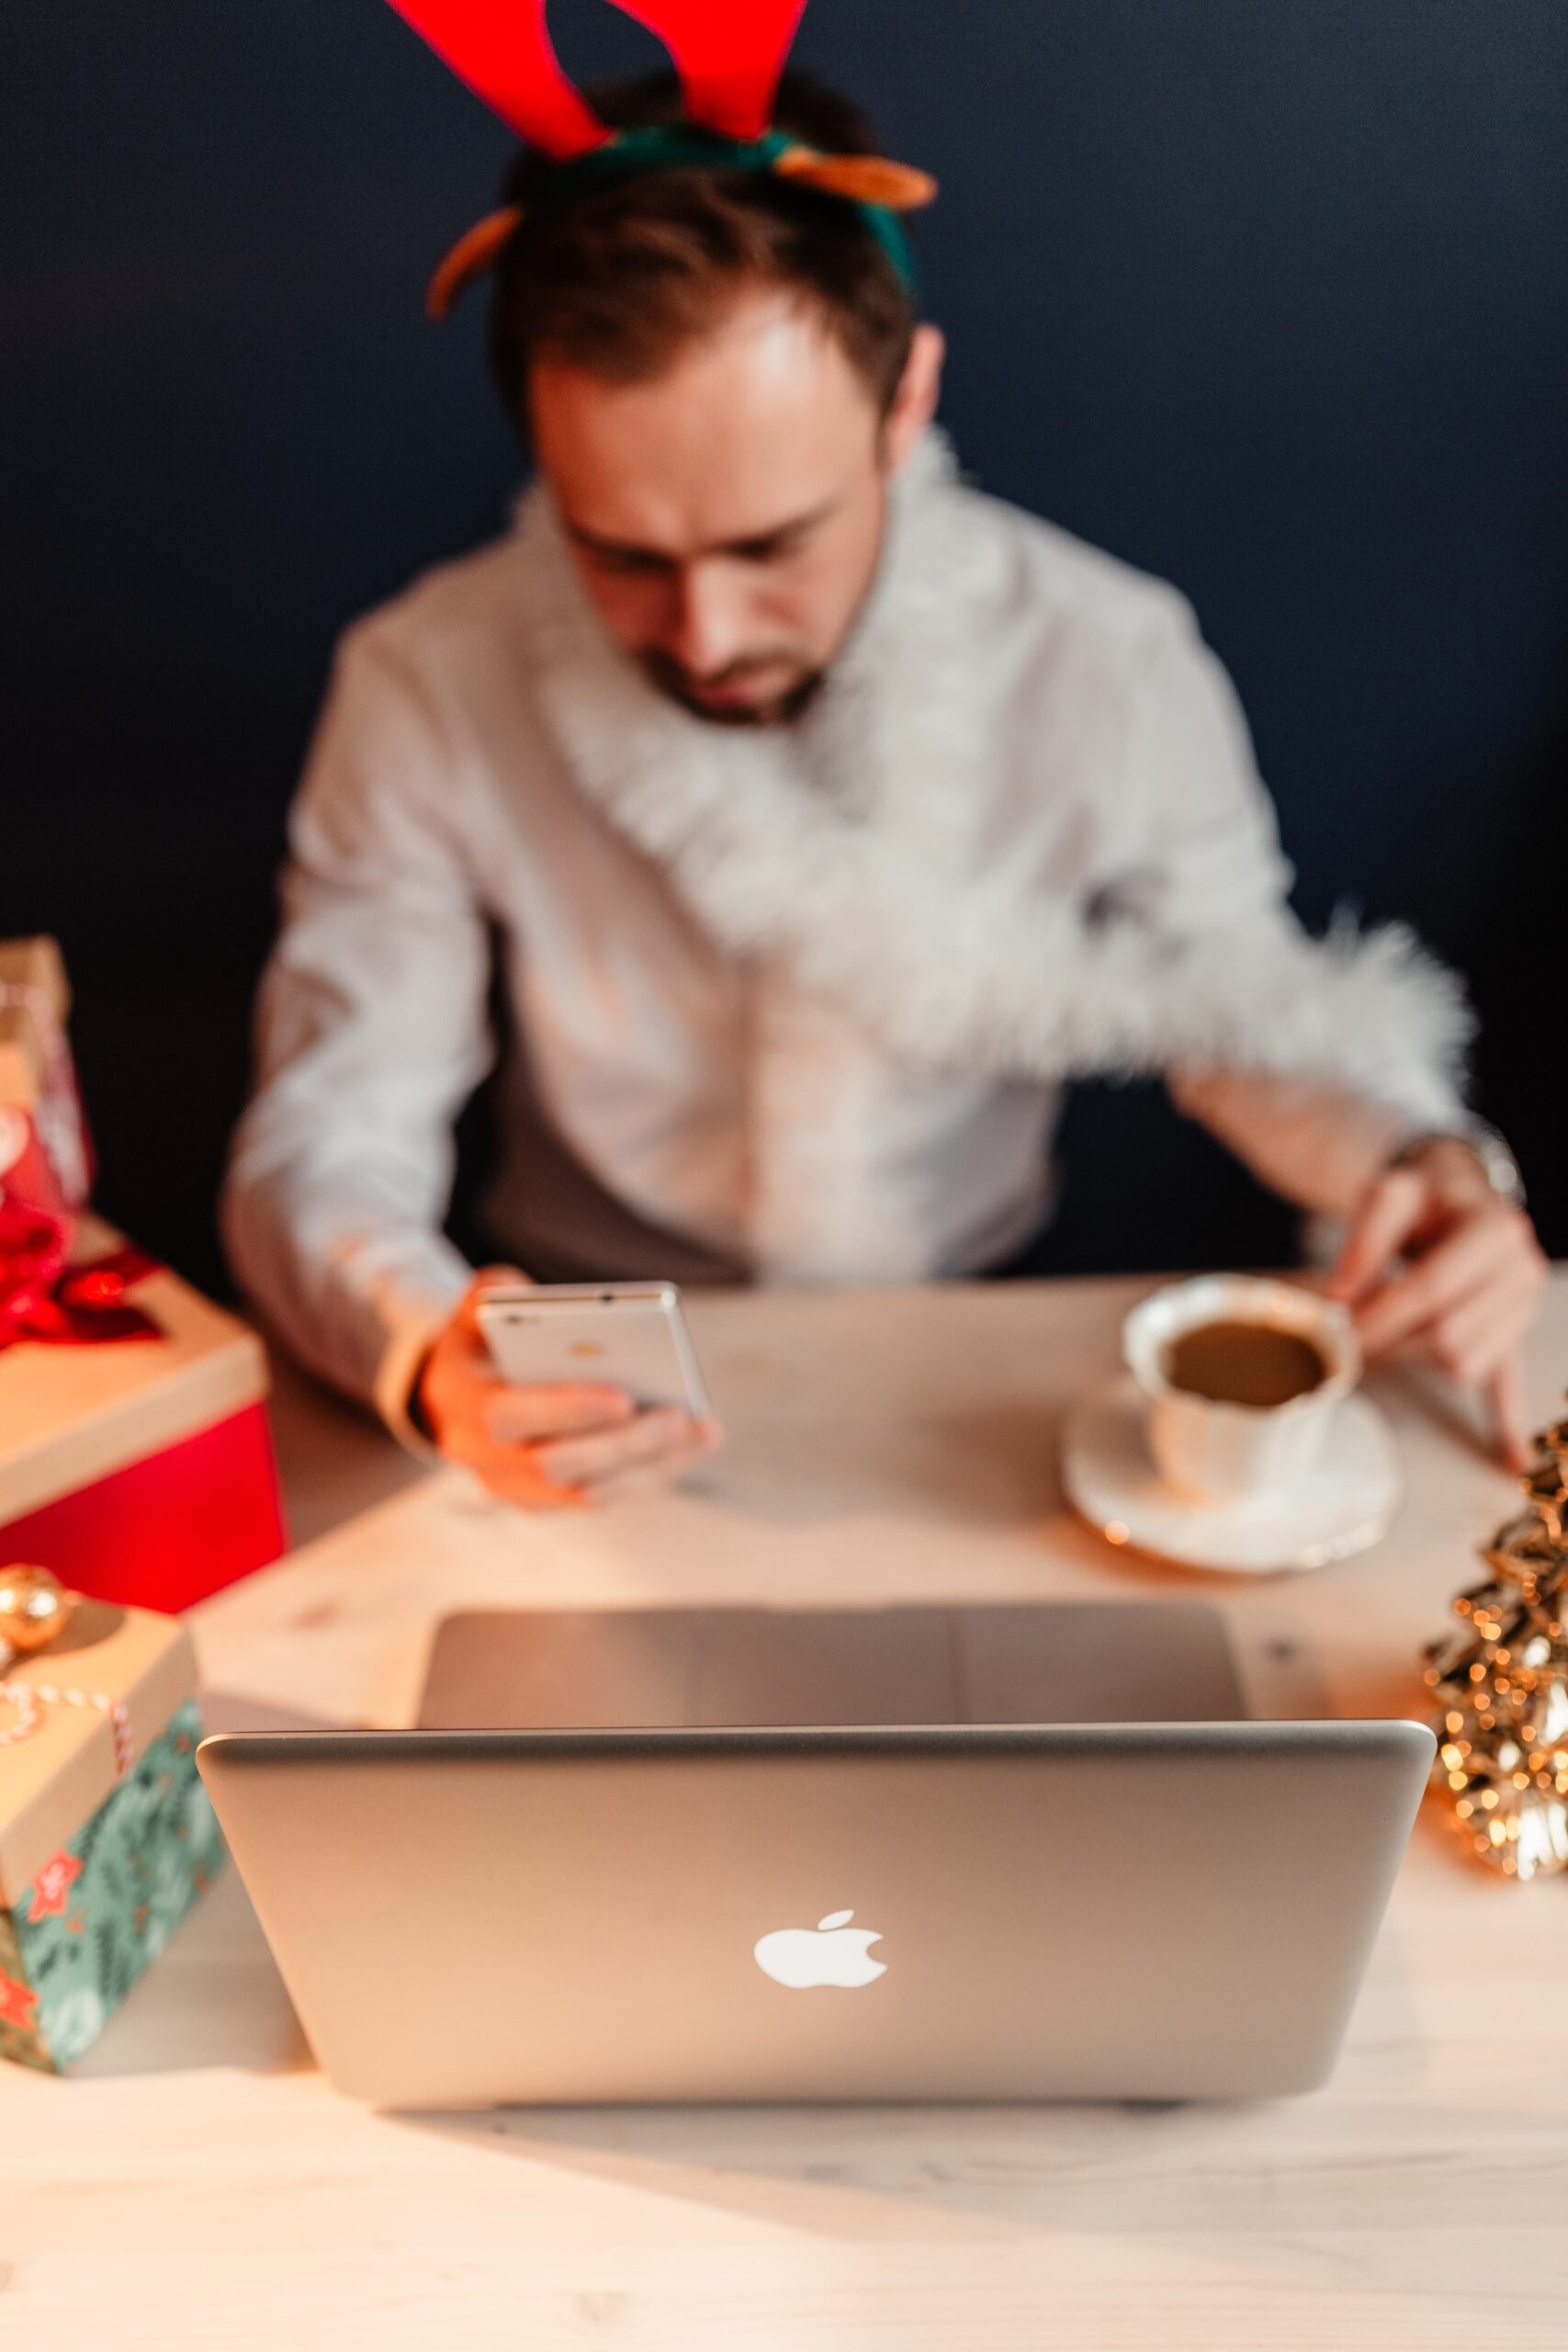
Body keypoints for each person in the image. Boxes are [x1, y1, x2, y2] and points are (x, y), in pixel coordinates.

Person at [224, 66, 1546, 1510]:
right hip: (573, 1360)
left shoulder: (1106, 657)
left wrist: (1420, 1164)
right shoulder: (425, 679)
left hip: (979, 1369)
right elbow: (330, 1126)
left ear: (906, 397)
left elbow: (1234, 1001)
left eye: (772, 544)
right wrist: (428, 1350)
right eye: (622, 556)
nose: (708, 638)